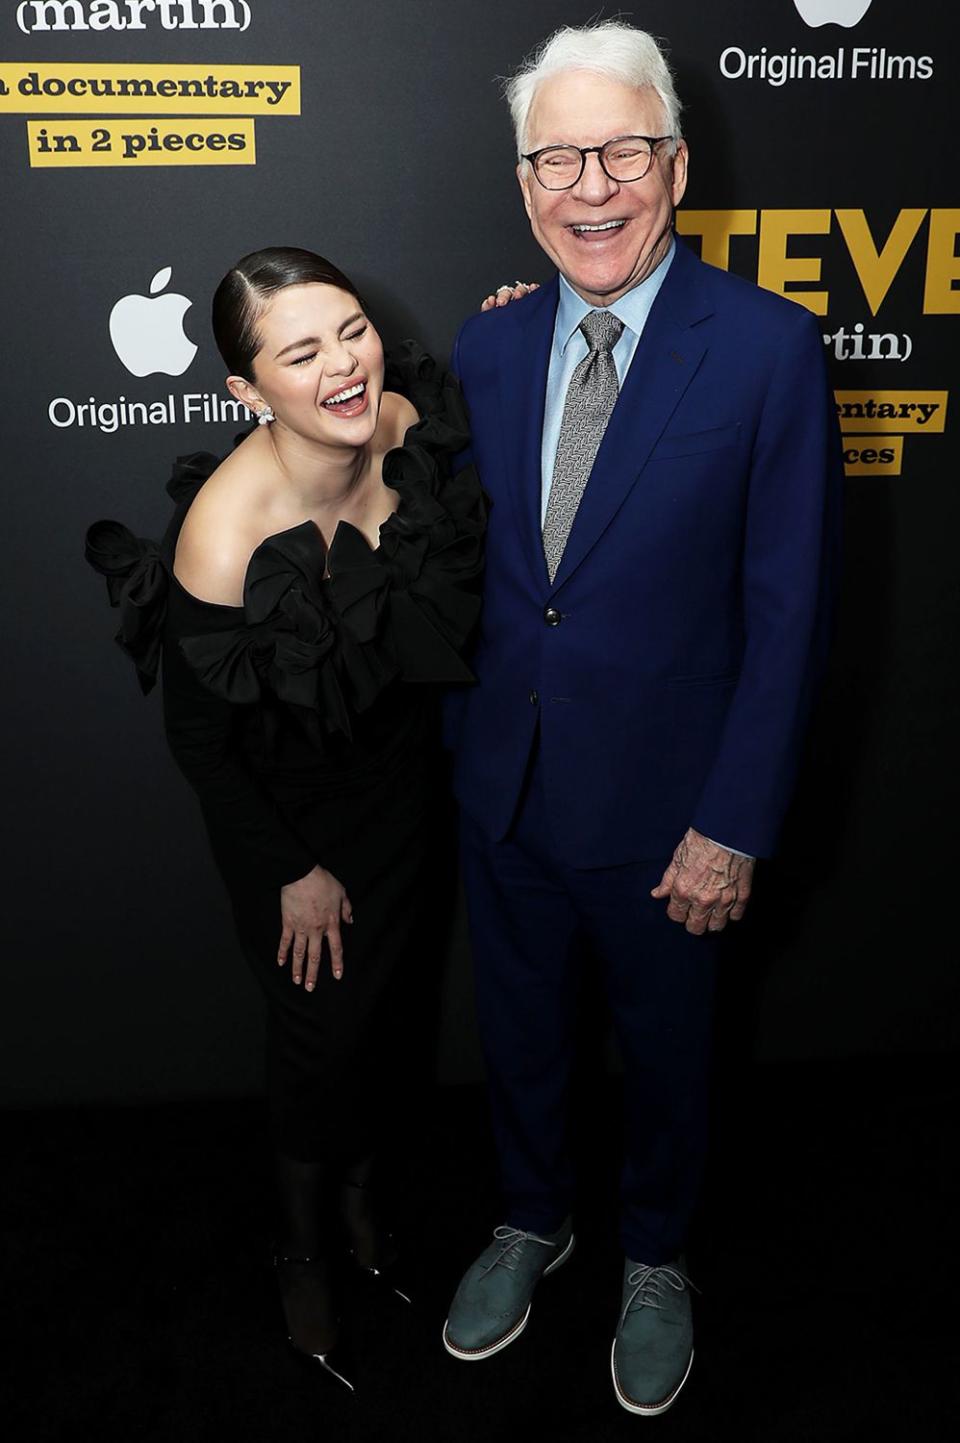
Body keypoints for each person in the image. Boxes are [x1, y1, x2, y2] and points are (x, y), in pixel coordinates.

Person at [442, 22, 842, 1416]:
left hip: (673, 815)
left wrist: (731, 821)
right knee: (523, 1035)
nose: (589, 184)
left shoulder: (772, 349)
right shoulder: (484, 349)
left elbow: (790, 612)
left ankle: (658, 1254)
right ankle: (531, 1217)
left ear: (673, 168)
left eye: (620, 151)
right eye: (558, 156)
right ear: (525, 183)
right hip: (505, 788)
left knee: (670, 1056)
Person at [85, 247, 488, 1392]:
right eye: (301, 353)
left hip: (403, 792)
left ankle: (364, 1214)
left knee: (395, 1014)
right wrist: (294, 872)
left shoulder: (407, 422)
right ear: (248, 393)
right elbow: (201, 747)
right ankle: (302, 1246)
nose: (345, 365)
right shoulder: (225, 535)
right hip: (288, 821)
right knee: (322, 1042)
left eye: (351, 330)